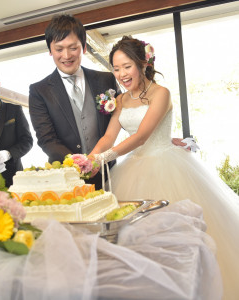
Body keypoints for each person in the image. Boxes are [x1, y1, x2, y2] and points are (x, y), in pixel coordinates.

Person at [89, 36, 239, 299]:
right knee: (136, 242)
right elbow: (107, 138)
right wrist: (89, 157)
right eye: (116, 68)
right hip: (131, 167)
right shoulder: (121, 101)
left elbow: (141, 137)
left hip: (167, 165)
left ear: (142, 63)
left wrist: (103, 159)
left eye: (127, 66)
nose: (121, 74)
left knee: (176, 241)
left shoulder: (162, 93)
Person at [29, 14, 186, 189]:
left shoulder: (106, 80)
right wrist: (85, 161)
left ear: (84, 47)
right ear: (50, 50)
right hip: (67, 177)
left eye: (73, 47)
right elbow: (109, 135)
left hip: (110, 173)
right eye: (59, 49)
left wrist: (161, 138)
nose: (66, 55)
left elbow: (140, 132)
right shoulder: (38, 91)